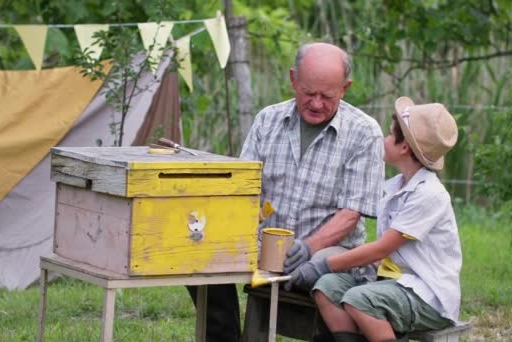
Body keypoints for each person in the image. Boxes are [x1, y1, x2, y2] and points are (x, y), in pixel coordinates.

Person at [187, 42, 385, 341]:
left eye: (327, 96)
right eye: (308, 93)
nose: (316, 103)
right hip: (264, 248)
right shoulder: (268, 120)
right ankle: (226, 336)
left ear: (345, 88)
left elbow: (350, 214)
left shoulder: (364, 132)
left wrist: (308, 248)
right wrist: (242, 232)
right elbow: (246, 192)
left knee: (330, 280)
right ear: (293, 79)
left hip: (328, 254)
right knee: (197, 256)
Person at [302, 97, 461, 342]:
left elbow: (381, 249)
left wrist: (325, 263)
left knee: (361, 300)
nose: (384, 140)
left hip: (427, 295)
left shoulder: (430, 194)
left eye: (389, 135)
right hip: (393, 282)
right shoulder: (396, 187)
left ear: (404, 147)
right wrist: (326, 271)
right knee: (327, 288)